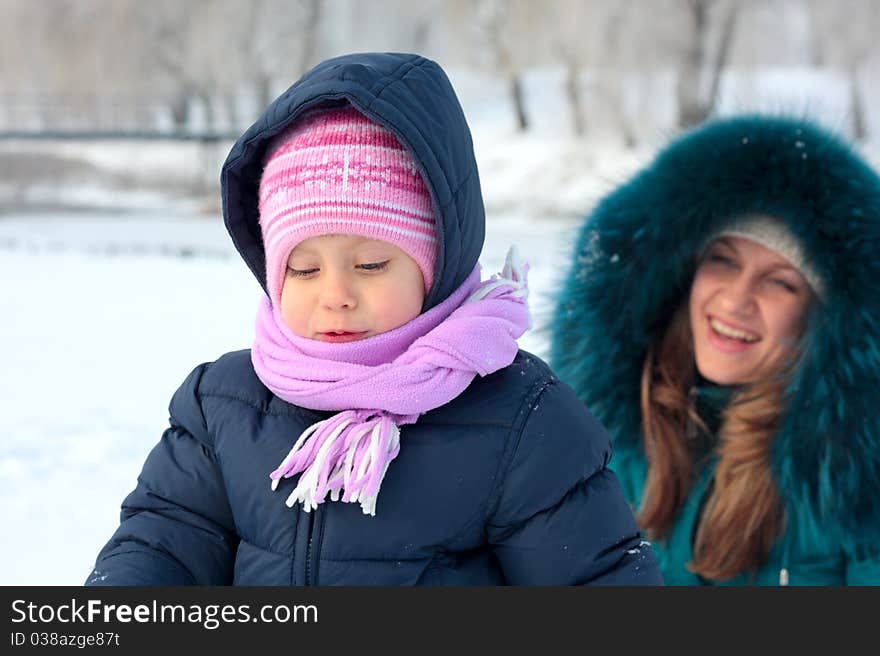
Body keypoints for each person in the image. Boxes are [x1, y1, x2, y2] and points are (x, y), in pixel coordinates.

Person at [85, 52, 661, 586]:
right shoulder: (223, 406)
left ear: (435, 263)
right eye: (304, 270)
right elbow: (161, 548)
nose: (336, 295)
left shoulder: (522, 421)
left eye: (370, 263)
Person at [550, 114, 880, 585]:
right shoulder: (609, 439)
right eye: (723, 260)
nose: (735, 299)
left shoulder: (854, 482)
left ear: (826, 321)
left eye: (780, 282)